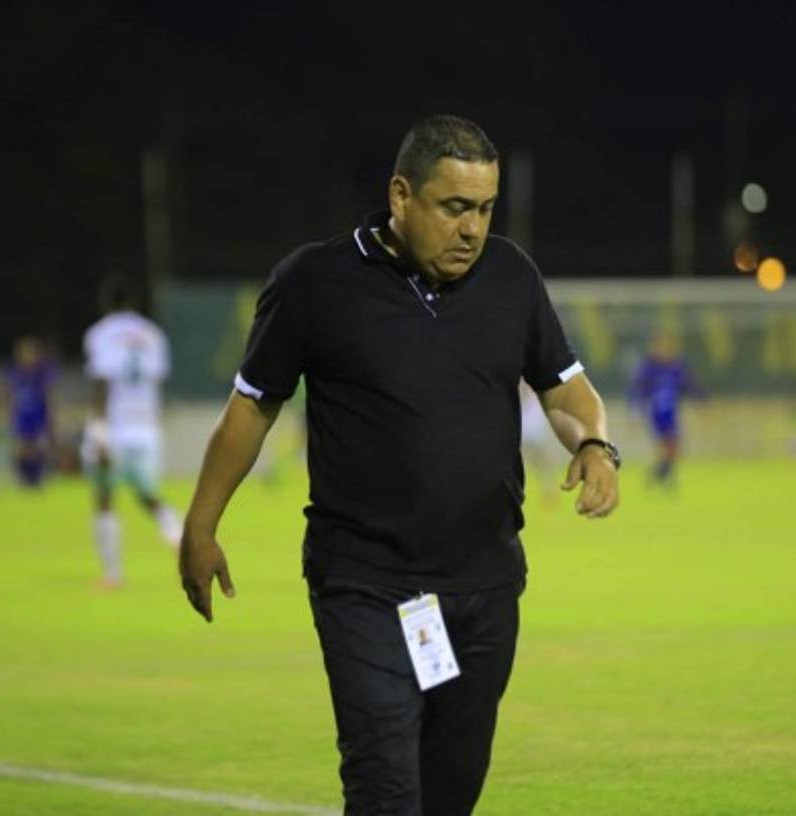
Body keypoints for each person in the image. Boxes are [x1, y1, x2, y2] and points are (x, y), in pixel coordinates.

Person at [179, 115, 621, 815]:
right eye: (454, 208)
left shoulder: (510, 276)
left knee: (448, 793)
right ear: (401, 195)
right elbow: (251, 408)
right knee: (385, 785)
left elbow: (562, 383)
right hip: (369, 587)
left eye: (484, 209)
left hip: (484, 588)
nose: (472, 229)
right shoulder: (315, 283)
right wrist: (199, 527)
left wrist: (595, 443)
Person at [82, 277, 182, 589]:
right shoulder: (153, 334)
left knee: (104, 497)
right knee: (146, 492)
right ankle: (177, 534)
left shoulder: (100, 333)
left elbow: (102, 380)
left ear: (105, 304)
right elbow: (159, 381)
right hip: (147, 429)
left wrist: (98, 429)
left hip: (115, 427)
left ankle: (112, 574)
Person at [629, 332, 705, 485]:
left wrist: (702, 400)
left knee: (673, 448)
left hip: (671, 413)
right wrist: (635, 411)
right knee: (669, 445)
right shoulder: (648, 369)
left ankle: (659, 476)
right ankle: (662, 477)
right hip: (657, 413)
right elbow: (638, 390)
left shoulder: (676, 367)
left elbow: (689, 385)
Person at [4, 336, 56, 487]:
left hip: (38, 412)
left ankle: (38, 477)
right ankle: (21, 478)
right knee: (21, 446)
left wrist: (52, 414)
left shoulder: (42, 372)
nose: (28, 356)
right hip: (21, 412)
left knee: (38, 446)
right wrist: (6, 410)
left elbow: (49, 394)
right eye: (25, 353)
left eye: (31, 353)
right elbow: (8, 392)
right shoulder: (15, 371)